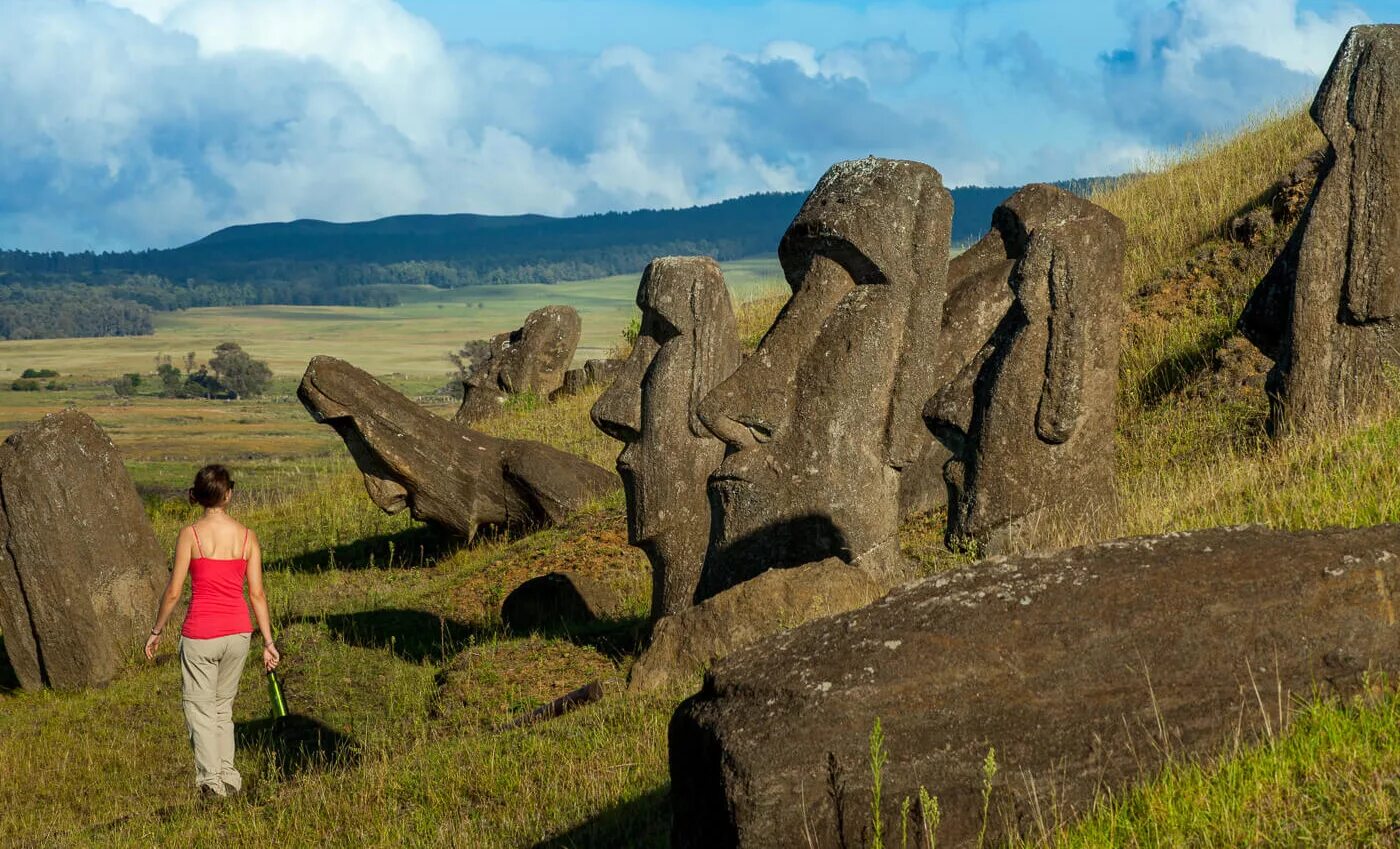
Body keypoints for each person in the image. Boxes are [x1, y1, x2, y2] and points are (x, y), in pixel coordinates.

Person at [145, 464, 280, 798]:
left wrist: (156, 630)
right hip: (238, 634)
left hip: (200, 634)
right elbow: (257, 594)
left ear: (198, 496)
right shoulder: (248, 537)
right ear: (228, 495)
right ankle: (229, 777)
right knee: (223, 709)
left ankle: (210, 782)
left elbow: (174, 591)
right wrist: (268, 640)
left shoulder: (190, 535)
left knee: (200, 709)